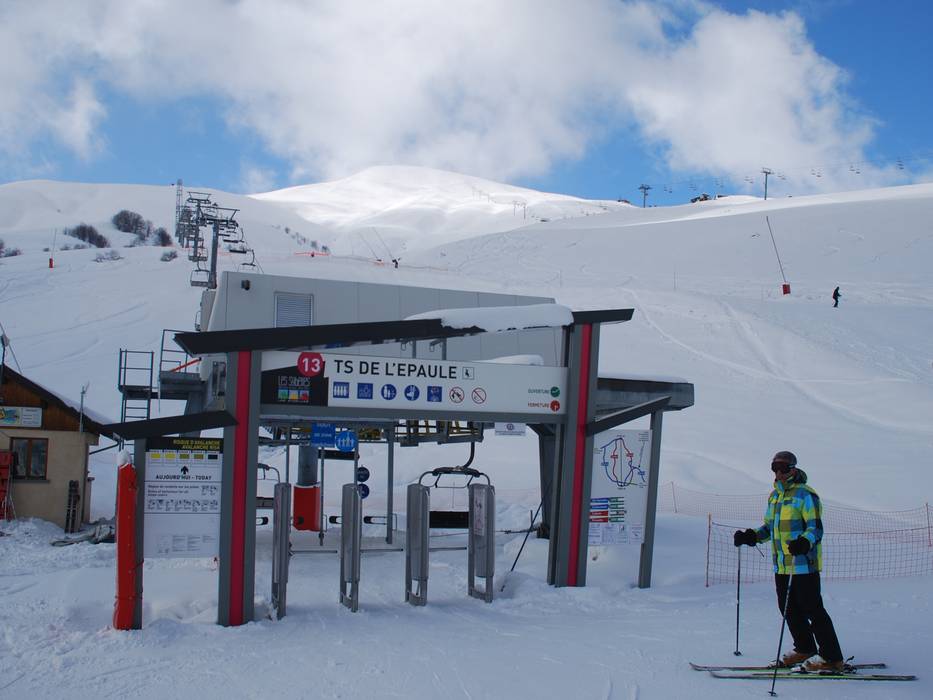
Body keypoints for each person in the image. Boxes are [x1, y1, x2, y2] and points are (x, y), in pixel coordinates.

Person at [733, 451, 844, 671]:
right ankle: (805, 648)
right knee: (788, 609)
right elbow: (769, 528)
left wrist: (804, 542)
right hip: (782, 565)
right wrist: (751, 536)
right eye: (775, 468)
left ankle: (832, 657)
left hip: (803, 563)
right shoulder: (775, 496)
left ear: (793, 469)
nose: (779, 473)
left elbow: (815, 529)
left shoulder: (805, 495)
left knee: (813, 609)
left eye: (783, 468)